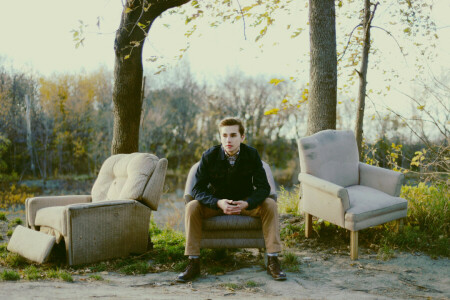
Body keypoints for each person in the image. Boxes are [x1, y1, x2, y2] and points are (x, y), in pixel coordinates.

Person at [177, 117, 286, 283]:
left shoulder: (252, 154)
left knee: (270, 204)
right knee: (192, 207)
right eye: (225, 135)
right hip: (217, 204)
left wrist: (248, 202)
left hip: (245, 203)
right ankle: (193, 262)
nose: (228, 140)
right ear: (220, 137)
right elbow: (197, 189)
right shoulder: (209, 156)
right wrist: (217, 203)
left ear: (242, 137)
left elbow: (263, 187)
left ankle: (273, 260)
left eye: (233, 135)